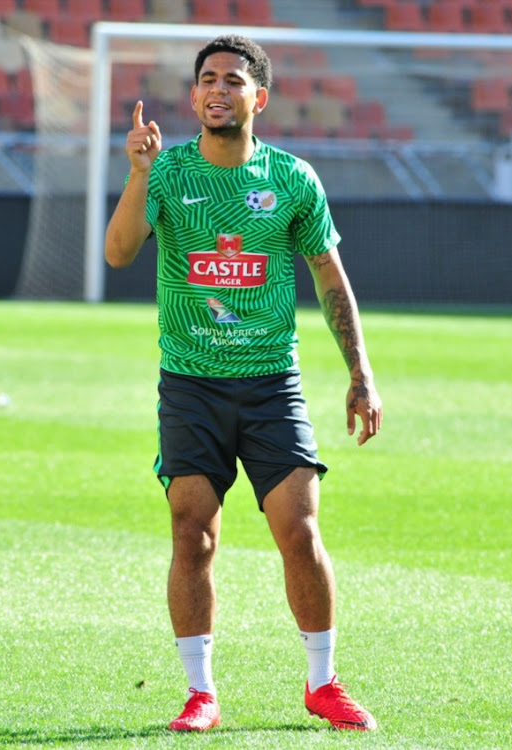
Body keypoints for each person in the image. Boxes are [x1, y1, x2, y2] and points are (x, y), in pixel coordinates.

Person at [105, 34, 382, 733]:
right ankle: (201, 693)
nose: (217, 90)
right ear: (194, 95)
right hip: (191, 385)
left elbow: (328, 275)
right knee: (192, 533)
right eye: (206, 80)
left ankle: (323, 682)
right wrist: (137, 173)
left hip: (270, 385)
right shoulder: (167, 175)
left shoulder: (292, 179)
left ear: (260, 96)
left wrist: (360, 372)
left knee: (299, 529)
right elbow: (118, 254)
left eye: (232, 79)